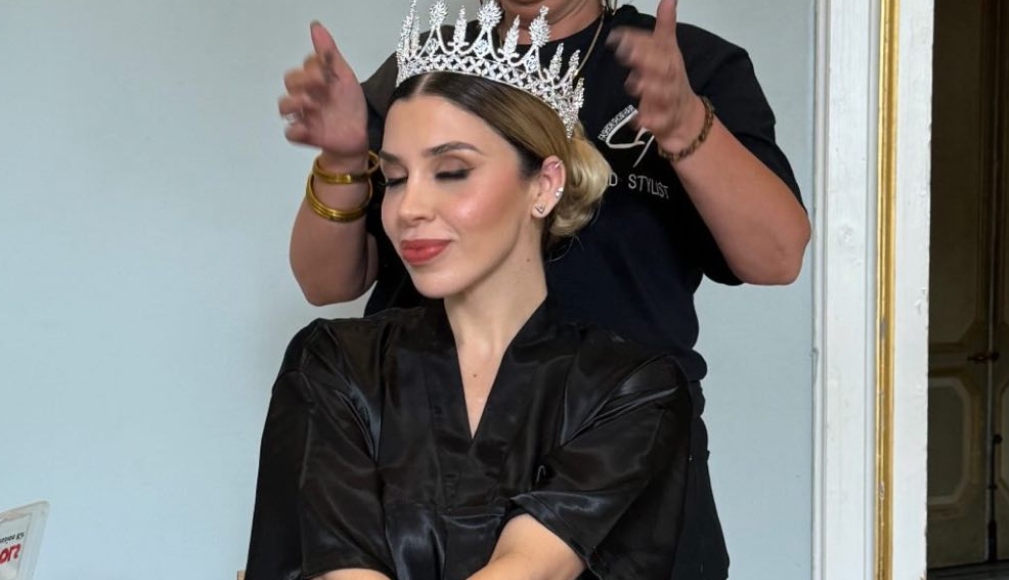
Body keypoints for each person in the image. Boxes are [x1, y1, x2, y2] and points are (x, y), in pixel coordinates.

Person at [278, 0, 811, 577]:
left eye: (454, 171)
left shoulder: (689, 65)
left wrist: (684, 124)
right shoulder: (425, 69)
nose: (416, 204)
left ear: (549, 182)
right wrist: (345, 156)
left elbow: (777, 256)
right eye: (401, 176)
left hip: (619, 434)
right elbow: (326, 281)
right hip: (419, 438)